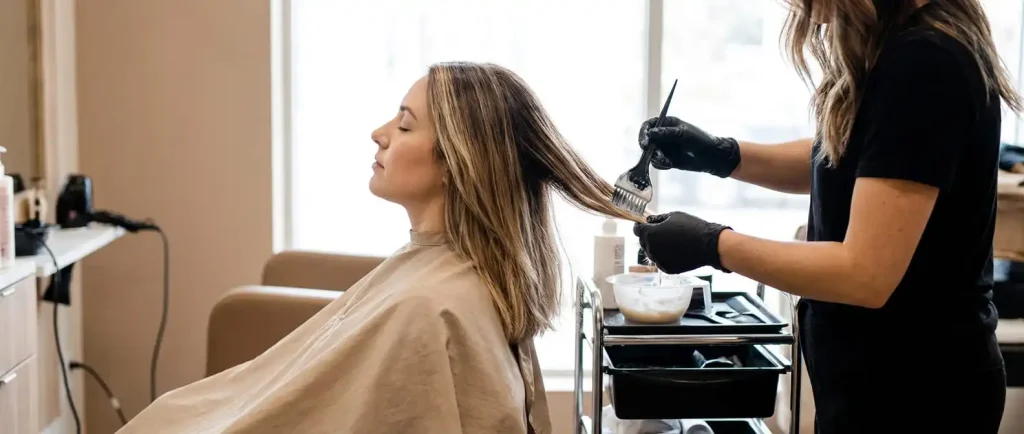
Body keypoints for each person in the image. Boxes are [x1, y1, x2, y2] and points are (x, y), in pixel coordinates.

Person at [117, 62, 641, 434]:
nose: (379, 133)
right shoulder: (442, 277)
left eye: (405, 124)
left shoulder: (430, 308)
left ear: (459, 162)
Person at [632, 1, 1021, 433]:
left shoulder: (925, 63)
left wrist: (712, 244)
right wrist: (722, 155)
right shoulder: (897, 45)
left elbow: (864, 274)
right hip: (873, 384)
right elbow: (851, 159)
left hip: (918, 394)